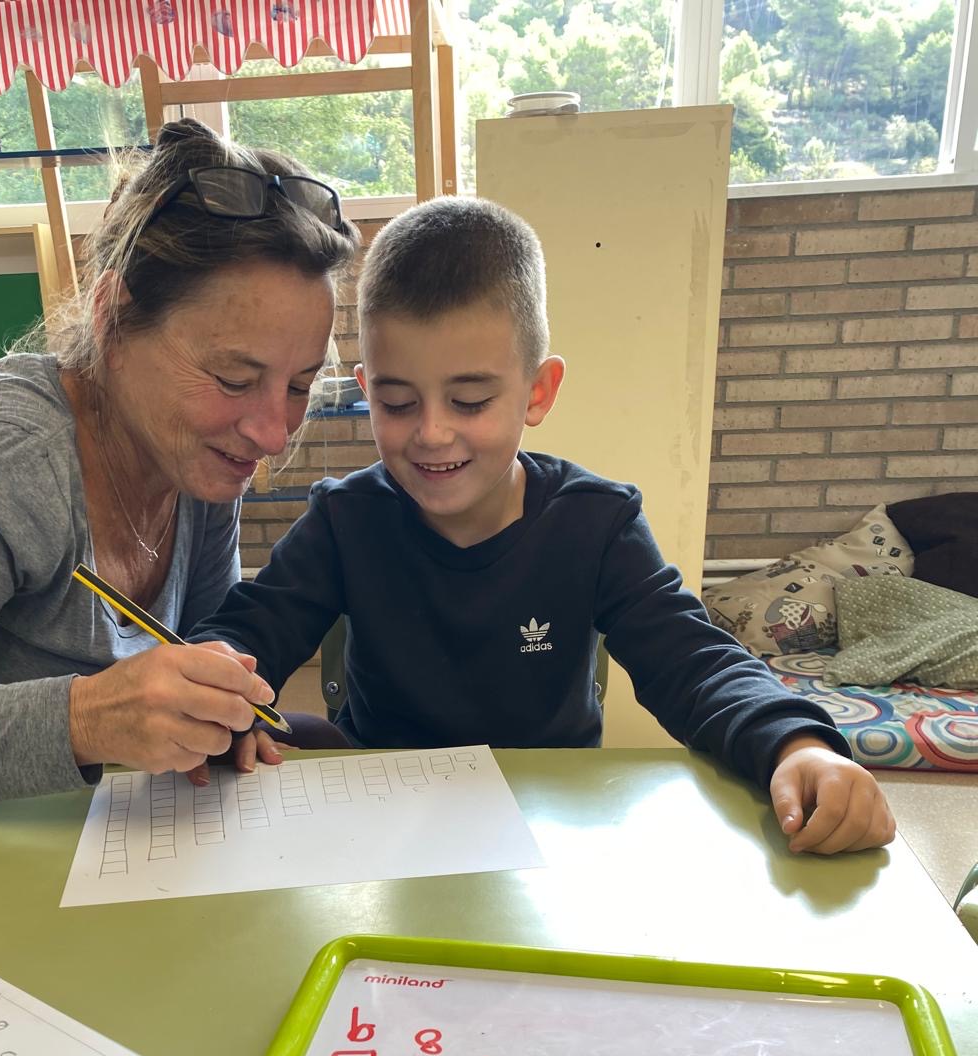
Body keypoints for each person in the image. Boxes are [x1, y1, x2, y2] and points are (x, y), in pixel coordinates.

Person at [191, 197, 895, 856]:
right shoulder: (345, 518)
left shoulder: (598, 523)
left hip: (549, 826)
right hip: (388, 821)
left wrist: (796, 745)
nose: (431, 433)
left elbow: (692, 659)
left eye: (470, 400)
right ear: (367, 389)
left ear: (538, 391)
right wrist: (215, 687)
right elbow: (254, 628)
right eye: (398, 403)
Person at [0, 120, 358, 809]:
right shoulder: (6, 458)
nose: (272, 433)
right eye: (234, 379)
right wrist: (88, 719)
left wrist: (218, 711)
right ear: (112, 317)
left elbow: (199, 648)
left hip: (51, 832)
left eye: (299, 386)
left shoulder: (196, 458)